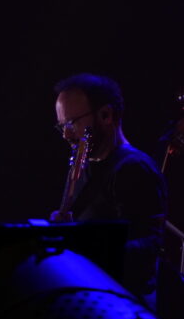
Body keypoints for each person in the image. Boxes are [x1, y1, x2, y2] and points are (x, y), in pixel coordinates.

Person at [50, 73, 167, 306]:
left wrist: (80, 241)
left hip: (124, 308)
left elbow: (148, 247)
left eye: (72, 123)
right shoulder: (84, 164)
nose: (66, 135)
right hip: (92, 296)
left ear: (106, 115)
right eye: (62, 125)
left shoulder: (134, 168)